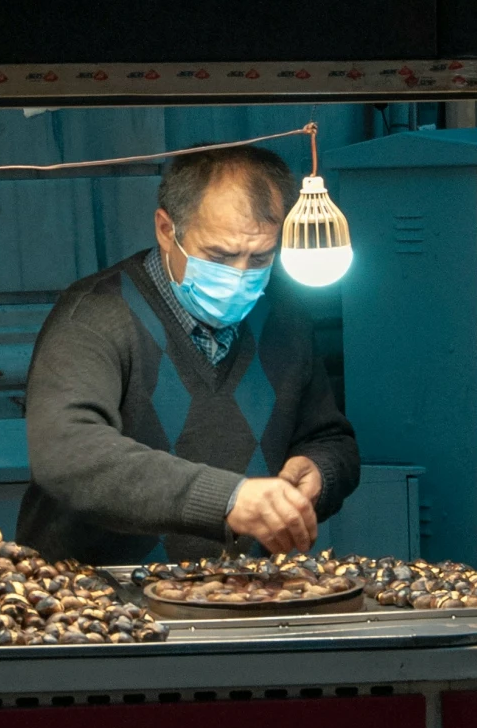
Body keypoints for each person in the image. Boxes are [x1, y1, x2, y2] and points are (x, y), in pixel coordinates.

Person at [20, 143, 359, 563]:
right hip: (95, 606)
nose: (240, 276)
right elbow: (68, 453)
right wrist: (227, 500)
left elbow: (330, 438)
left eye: (260, 258)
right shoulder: (94, 316)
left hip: (241, 593)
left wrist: (319, 472)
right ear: (166, 230)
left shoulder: (284, 319)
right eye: (219, 256)